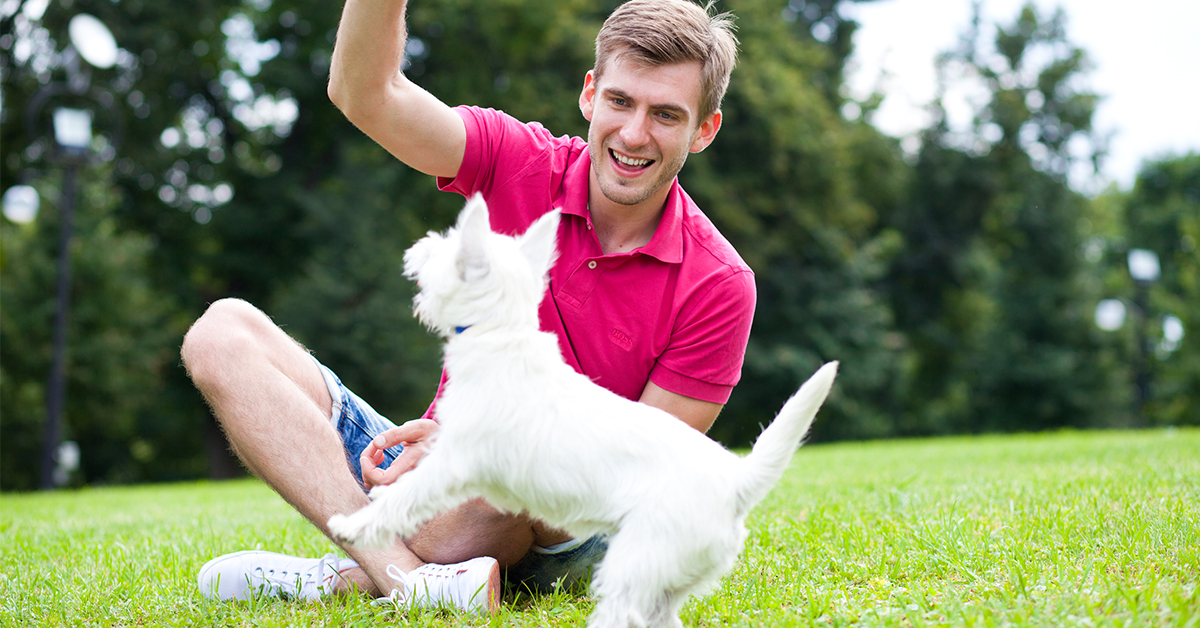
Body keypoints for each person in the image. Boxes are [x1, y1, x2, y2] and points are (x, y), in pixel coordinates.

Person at [184, 0, 755, 612]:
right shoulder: (519, 159)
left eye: (665, 114)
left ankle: (347, 577)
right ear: (590, 95)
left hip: (558, 520)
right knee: (221, 334)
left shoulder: (719, 283)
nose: (635, 134)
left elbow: (633, 479)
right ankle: (405, 577)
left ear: (703, 130)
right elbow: (364, 93)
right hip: (434, 470)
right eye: (621, 101)